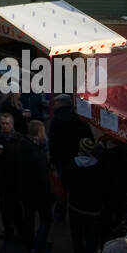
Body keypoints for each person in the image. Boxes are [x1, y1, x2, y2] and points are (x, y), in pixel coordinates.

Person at [64, 137, 106, 253]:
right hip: (93, 209)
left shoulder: (72, 164)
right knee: (91, 238)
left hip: (75, 205)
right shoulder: (99, 167)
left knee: (76, 234)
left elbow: (67, 183)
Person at [48, 94, 88, 222]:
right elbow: (86, 136)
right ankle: (75, 213)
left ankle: (60, 213)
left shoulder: (56, 119)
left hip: (61, 159)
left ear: (62, 104)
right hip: (75, 158)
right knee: (75, 187)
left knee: (61, 188)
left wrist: (53, 161)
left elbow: (52, 142)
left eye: (56, 103)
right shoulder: (78, 118)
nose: (54, 105)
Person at [19, 121, 53, 253]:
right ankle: (37, 246)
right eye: (43, 132)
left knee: (29, 218)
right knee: (46, 220)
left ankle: (29, 245)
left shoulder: (22, 145)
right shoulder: (38, 154)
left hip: (26, 191)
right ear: (39, 133)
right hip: (38, 193)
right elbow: (43, 179)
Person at [0, 112, 25, 241]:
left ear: (12, 124)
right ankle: (8, 229)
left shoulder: (20, 139)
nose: (5, 126)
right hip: (3, 177)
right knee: (4, 206)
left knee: (16, 206)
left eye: (7, 124)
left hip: (16, 177)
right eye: (3, 123)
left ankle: (21, 230)